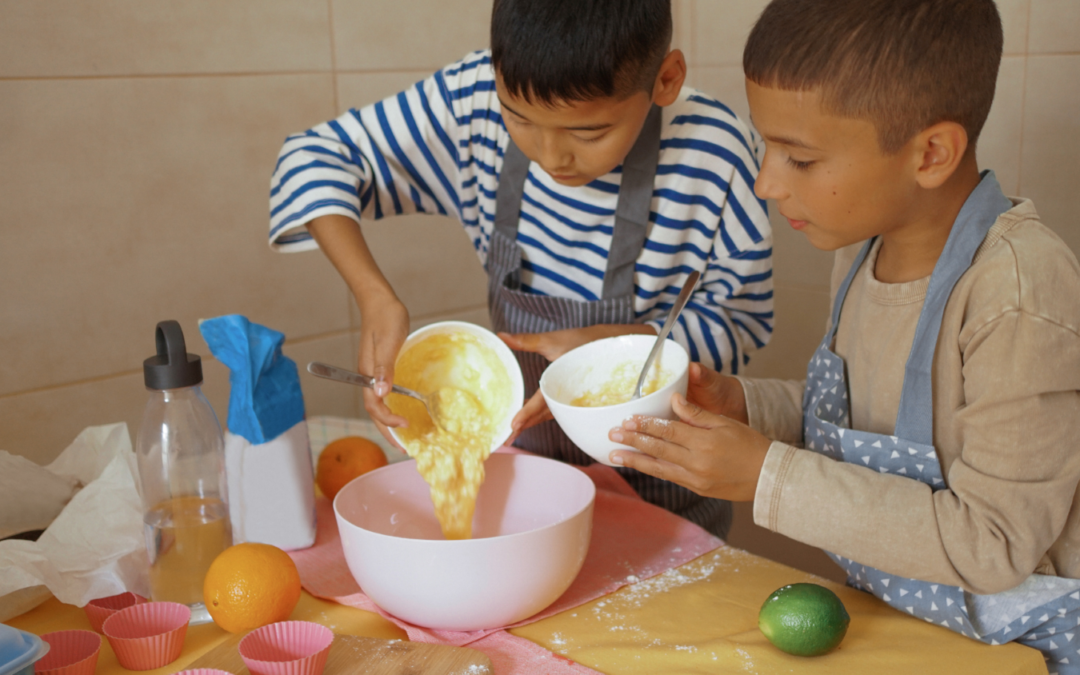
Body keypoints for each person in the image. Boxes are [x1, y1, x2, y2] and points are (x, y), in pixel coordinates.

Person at [610, 0, 1080, 670]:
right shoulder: (861, 251)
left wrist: (766, 475)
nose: (766, 181)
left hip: (1018, 649)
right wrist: (746, 405)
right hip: (910, 630)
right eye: (767, 146)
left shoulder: (1017, 294)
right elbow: (868, 420)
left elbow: (994, 542)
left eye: (798, 158)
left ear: (931, 152)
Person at [267, 0, 773, 538]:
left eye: (589, 133)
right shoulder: (474, 102)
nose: (550, 157)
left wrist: (616, 346)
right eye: (520, 119)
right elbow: (311, 157)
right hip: (529, 487)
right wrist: (375, 297)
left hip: (667, 495)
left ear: (666, 79)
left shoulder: (713, 153)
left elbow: (741, 320)